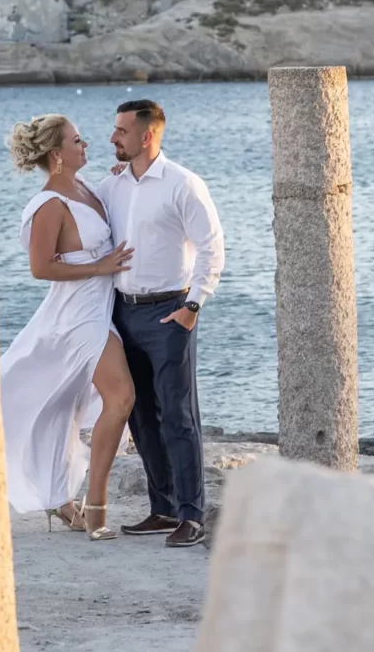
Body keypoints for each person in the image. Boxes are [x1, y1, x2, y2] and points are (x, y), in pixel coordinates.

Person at [0, 114, 136, 541]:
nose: (85, 144)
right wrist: (100, 266)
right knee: (121, 396)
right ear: (57, 153)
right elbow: (41, 267)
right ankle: (96, 508)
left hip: (100, 310)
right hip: (77, 316)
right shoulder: (50, 205)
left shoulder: (87, 189)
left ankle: (62, 500)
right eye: (77, 140)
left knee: (68, 405)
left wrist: (122, 176)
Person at [97, 100, 225, 548]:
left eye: (121, 130)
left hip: (170, 311)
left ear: (147, 135)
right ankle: (163, 507)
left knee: (178, 416)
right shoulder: (112, 186)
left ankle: (191, 515)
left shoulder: (183, 184)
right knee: (140, 416)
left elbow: (212, 246)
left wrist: (193, 305)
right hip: (122, 311)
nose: (113, 137)